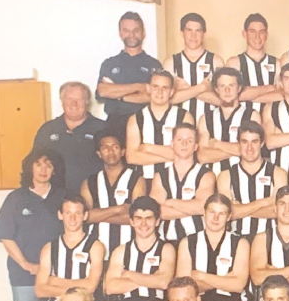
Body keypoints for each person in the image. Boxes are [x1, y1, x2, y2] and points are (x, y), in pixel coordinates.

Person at [170, 194, 250, 301]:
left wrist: (201, 276)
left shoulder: (240, 243)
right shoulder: (188, 242)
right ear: (204, 213)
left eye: (221, 213)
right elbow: (183, 287)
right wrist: (224, 280)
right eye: (212, 212)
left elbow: (237, 285)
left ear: (229, 216)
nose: (215, 218)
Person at [0, 148, 66, 301]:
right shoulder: (16, 198)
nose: (43, 169)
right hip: (25, 275)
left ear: (54, 170)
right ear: (30, 168)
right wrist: (25, 264)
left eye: (49, 165)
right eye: (38, 164)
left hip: (59, 274)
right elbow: (6, 236)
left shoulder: (64, 197)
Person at [96, 197, 175, 301]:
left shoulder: (166, 248)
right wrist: (150, 278)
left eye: (149, 218)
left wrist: (128, 274)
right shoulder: (121, 251)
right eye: (138, 218)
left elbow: (164, 282)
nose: (143, 224)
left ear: (157, 221)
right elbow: (110, 287)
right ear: (131, 221)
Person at [95, 11, 163, 139]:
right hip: (115, 124)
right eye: (126, 30)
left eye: (136, 30)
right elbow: (103, 91)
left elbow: (153, 96)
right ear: (120, 33)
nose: (131, 35)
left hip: (145, 122)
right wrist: (138, 86)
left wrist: (119, 95)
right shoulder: (109, 63)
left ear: (143, 33)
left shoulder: (154, 64)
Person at [216, 120, 287, 240]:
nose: (249, 148)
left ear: (262, 143)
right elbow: (227, 213)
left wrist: (240, 209)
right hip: (236, 239)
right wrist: (265, 202)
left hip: (269, 239)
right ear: (238, 144)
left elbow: (278, 212)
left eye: (254, 142)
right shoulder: (226, 176)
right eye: (244, 142)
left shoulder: (278, 173)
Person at [32, 82, 106, 193]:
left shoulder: (102, 128)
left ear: (87, 102)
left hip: (92, 195)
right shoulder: (47, 129)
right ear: (62, 101)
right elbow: (34, 164)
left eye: (79, 99)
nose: (74, 104)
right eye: (69, 99)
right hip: (55, 196)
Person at [80, 130, 145, 258]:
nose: (111, 151)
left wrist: (98, 215)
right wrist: (119, 209)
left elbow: (138, 218)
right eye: (105, 148)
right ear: (99, 153)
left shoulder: (136, 179)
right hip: (96, 251)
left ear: (123, 151)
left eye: (115, 147)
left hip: (129, 249)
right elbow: (85, 217)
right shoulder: (89, 182)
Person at [147, 123, 216, 242]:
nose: (184, 144)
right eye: (179, 139)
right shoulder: (160, 176)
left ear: (196, 146)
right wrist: (192, 208)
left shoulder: (206, 175)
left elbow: (203, 207)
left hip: (197, 240)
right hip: (165, 241)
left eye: (189, 141)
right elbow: (155, 212)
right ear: (172, 144)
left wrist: (171, 202)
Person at [125, 69, 192, 182]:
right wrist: (170, 158)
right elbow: (131, 157)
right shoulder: (135, 119)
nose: (160, 92)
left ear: (172, 92)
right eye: (155, 87)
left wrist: (148, 148)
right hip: (145, 180)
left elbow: (186, 153)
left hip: (177, 180)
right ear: (148, 88)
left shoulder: (184, 117)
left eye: (165, 88)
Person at [196, 67, 260, 175]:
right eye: (222, 86)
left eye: (231, 85)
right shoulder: (205, 118)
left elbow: (252, 150)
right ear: (216, 89)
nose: (227, 90)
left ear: (239, 88)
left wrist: (216, 144)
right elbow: (202, 156)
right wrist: (237, 149)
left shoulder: (252, 115)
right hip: (214, 178)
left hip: (242, 177)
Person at [165, 12, 224, 119]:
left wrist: (185, 90)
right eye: (189, 30)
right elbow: (166, 99)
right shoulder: (171, 62)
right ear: (182, 33)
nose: (193, 36)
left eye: (198, 31)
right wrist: (202, 88)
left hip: (210, 123)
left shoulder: (216, 61)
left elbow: (223, 101)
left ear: (204, 34)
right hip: (179, 124)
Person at [226, 13, 282, 111]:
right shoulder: (234, 63)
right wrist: (271, 88)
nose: (257, 36)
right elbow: (230, 95)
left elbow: (282, 95)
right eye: (252, 31)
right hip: (243, 119)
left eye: (261, 32)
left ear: (266, 35)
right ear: (244, 34)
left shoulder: (277, 63)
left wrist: (248, 95)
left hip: (270, 118)